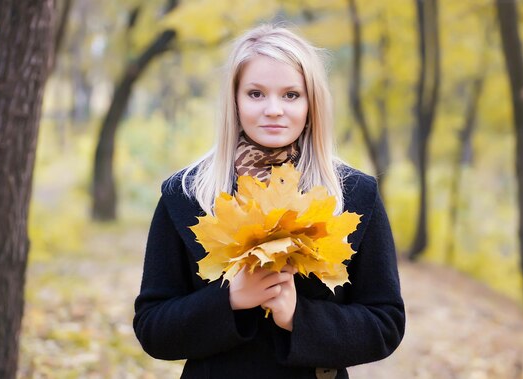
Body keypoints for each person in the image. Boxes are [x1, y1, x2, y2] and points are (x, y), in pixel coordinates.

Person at [133, 24, 405, 379]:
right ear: (235, 100)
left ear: (312, 103)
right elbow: (153, 328)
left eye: (291, 95)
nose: (273, 109)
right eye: (256, 94)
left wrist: (299, 317)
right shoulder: (186, 193)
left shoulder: (353, 194)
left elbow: (386, 324)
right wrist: (229, 301)